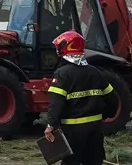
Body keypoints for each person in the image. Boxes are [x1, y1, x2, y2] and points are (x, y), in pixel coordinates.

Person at [44, 30, 119, 165]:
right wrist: (105, 115)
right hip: (95, 129)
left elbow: (56, 104)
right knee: (94, 161)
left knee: (71, 162)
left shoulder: (62, 74)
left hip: (72, 131)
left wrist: (51, 125)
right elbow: (113, 98)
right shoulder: (95, 72)